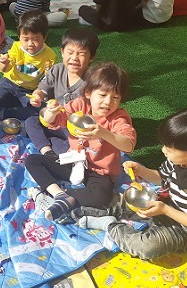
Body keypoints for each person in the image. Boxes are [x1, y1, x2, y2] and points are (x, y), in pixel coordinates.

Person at [80, 107, 187, 260]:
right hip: (165, 205)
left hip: (183, 228)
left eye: (169, 149)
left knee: (148, 247)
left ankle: (110, 225)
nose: (163, 150)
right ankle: (83, 212)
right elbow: (161, 178)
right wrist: (141, 170)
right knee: (116, 201)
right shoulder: (179, 161)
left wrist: (165, 210)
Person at [25, 62, 136, 221]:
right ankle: (59, 195)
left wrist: (104, 133)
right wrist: (51, 112)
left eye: (115, 97)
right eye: (102, 95)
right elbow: (51, 121)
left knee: (101, 197)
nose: (108, 102)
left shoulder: (118, 118)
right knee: (32, 161)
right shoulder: (80, 106)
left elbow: (128, 144)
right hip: (73, 161)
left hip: (99, 172)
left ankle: (57, 195)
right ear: (89, 93)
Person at [25, 28, 99, 158]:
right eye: (70, 52)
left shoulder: (93, 81)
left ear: (91, 57)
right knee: (31, 122)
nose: (74, 58)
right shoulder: (57, 70)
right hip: (54, 119)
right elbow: (42, 88)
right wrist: (37, 96)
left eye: (81, 54)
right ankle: (47, 151)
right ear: (62, 52)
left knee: (78, 145)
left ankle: (55, 144)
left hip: (75, 127)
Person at [0, 11, 57, 120]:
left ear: (44, 37)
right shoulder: (16, 47)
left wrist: (37, 97)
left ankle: (4, 114)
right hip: (9, 84)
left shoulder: (50, 56)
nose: (30, 44)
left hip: (29, 91)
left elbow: (47, 81)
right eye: (26, 39)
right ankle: (14, 107)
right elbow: (3, 69)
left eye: (36, 39)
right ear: (19, 37)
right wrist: (3, 63)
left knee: (38, 110)